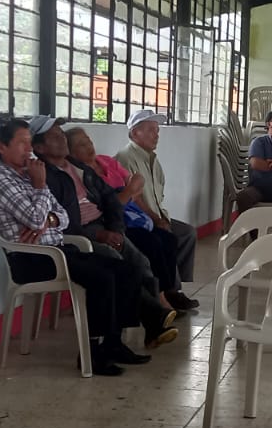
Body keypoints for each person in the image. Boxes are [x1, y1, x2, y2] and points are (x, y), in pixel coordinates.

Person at [0, 119, 169, 375]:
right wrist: (40, 191)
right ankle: (92, 354)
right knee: (102, 277)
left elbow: (62, 215)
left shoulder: (28, 174)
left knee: (125, 269)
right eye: (22, 143)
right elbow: (37, 219)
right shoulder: (3, 181)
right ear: (1, 147)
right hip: (32, 259)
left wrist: (48, 219)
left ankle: (113, 344)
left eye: (29, 142)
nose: (28, 149)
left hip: (59, 250)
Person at [30, 117, 179, 344]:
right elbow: (61, 221)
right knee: (116, 263)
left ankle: (153, 321)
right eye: (55, 136)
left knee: (140, 261)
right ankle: (143, 323)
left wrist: (116, 229)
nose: (62, 139)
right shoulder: (45, 176)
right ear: (39, 148)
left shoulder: (77, 167)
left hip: (103, 225)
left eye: (62, 133)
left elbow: (109, 197)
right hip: (79, 236)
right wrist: (99, 234)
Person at [65, 126, 194, 313]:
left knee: (168, 238)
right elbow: (110, 205)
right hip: (114, 223)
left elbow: (136, 192)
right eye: (81, 144)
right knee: (151, 244)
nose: (89, 146)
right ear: (70, 152)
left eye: (89, 141)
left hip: (134, 217)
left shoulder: (107, 162)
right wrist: (128, 193)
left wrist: (153, 217)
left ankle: (169, 292)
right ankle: (158, 301)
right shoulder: (81, 175)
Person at [119, 109, 198, 292]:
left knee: (187, 233)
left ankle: (176, 286)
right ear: (134, 133)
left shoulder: (153, 160)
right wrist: (156, 220)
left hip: (156, 216)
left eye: (157, 130)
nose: (156, 135)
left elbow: (158, 197)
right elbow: (133, 200)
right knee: (167, 238)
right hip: (139, 221)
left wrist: (161, 218)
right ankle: (169, 290)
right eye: (150, 130)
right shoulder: (125, 159)